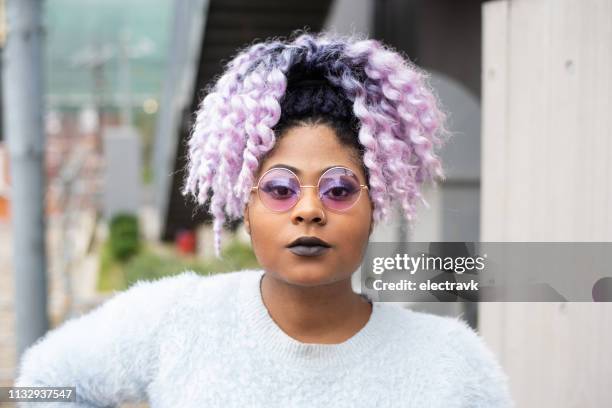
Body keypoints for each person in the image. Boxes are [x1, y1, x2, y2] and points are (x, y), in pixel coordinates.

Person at [15, 32, 513, 407]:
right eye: (280, 189)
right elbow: (41, 385)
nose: (309, 209)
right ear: (245, 207)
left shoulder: (452, 365)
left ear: (374, 205)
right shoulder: (174, 320)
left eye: (339, 189)